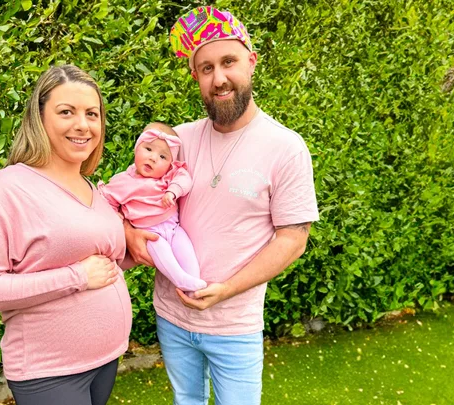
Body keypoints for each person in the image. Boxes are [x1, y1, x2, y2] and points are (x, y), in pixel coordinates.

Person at [125, 6, 320, 405]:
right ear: (195, 76)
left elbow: (293, 240)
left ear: (251, 62)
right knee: (187, 402)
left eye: (228, 62)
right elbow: (130, 195)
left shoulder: (286, 147)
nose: (219, 78)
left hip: (235, 323)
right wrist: (130, 233)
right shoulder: (175, 141)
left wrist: (226, 289)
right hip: (171, 315)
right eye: (206, 68)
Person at [0, 64, 131, 405]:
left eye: (92, 114)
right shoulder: (8, 187)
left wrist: (135, 249)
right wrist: (76, 277)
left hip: (106, 358)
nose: (82, 125)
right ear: (39, 119)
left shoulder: (92, 188)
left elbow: (102, 262)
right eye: (66, 112)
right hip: (50, 370)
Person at [98, 122, 207, 292]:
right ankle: (181, 280)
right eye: (148, 149)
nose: (153, 158)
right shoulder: (123, 182)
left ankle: (194, 284)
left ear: (170, 163)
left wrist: (173, 191)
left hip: (173, 228)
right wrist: (116, 217)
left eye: (163, 157)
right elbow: (105, 200)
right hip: (150, 234)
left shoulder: (168, 175)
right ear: (136, 148)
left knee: (186, 251)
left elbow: (184, 178)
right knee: (163, 254)